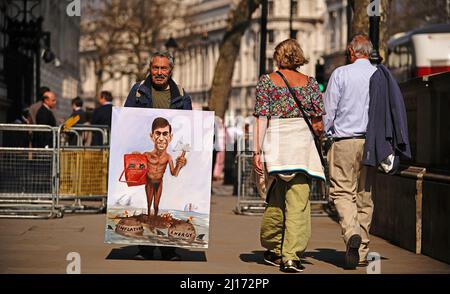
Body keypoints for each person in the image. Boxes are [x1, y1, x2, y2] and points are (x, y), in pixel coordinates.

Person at [253, 39, 325, 273]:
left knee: (275, 198)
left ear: (277, 57)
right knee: (298, 203)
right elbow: (317, 124)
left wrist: (257, 150)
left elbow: (261, 118)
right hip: (302, 147)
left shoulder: (267, 82)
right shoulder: (311, 84)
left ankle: (273, 247)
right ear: (299, 57)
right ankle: (291, 256)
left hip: (277, 145)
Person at [124, 50, 192, 261]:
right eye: (156, 68)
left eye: (164, 68)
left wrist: (182, 160)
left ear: (170, 70)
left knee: (162, 206)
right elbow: (126, 121)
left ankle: (168, 249)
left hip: (163, 173)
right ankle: (144, 249)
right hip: (147, 170)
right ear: (150, 69)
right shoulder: (138, 91)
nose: (159, 72)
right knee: (146, 207)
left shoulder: (181, 93)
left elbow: (189, 125)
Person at [323, 34, 377, 269]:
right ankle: (363, 250)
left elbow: (329, 109)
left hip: (344, 141)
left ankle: (351, 231)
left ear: (351, 51)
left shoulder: (341, 74)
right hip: (372, 143)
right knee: (365, 196)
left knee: (342, 192)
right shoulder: (379, 74)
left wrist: (325, 134)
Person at [134, 117, 187, 217]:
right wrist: (135, 157)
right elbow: (137, 169)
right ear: (152, 136)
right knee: (149, 204)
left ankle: (154, 221)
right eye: (158, 133)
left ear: (170, 137)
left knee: (156, 205)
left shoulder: (168, 157)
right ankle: (149, 218)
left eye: (165, 134)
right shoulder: (146, 155)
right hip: (149, 183)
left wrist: (180, 165)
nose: (161, 138)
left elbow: (174, 173)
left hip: (159, 183)